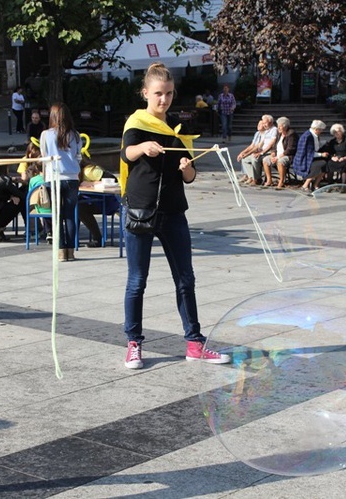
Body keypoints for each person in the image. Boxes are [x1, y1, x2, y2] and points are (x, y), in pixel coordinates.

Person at [120, 62, 231, 369]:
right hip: (141, 211)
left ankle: (194, 343)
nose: (163, 100)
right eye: (158, 93)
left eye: (168, 94)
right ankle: (133, 344)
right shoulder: (137, 123)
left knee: (185, 279)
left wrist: (188, 168)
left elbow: (190, 175)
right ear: (145, 93)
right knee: (137, 281)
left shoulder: (174, 132)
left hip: (173, 212)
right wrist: (143, 147)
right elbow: (126, 154)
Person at [40, 102, 82, 262]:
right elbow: (79, 156)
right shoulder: (76, 135)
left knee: (56, 215)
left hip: (54, 177)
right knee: (70, 214)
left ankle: (60, 250)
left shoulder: (46, 135)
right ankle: (71, 250)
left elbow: (44, 157)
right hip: (72, 177)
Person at [78, 160, 120, 247]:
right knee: (75, 206)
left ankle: (97, 238)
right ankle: (72, 239)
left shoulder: (88, 171)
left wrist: (91, 183)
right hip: (92, 200)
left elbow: (112, 179)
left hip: (106, 202)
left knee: (80, 209)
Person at [262, 116, 298, 190]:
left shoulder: (291, 134)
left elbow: (290, 149)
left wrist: (278, 157)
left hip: (288, 155)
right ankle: (269, 180)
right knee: (265, 159)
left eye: (280, 126)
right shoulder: (279, 133)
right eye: (278, 126)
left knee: (280, 161)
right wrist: (273, 153)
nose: (278, 128)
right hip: (277, 155)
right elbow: (275, 145)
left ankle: (281, 181)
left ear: (285, 126)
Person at [293, 120, 329, 192]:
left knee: (326, 164)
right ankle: (305, 185)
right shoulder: (308, 137)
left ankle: (316, 184)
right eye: (321, 130)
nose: (321, 132)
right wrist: (321, 154)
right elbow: (309, 152)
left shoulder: (312, 135)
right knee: (321, 164)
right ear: (316, 129)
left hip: (309, 157)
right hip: (304, 159)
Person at [236, 119, 265, 184]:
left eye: (260, 124)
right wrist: (243, 152)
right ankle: (250, 177)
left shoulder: (265, 134)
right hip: (255, 152)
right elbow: (252, 146)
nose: (258, 125)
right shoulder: (257, 133)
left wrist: (247, 153)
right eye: (258, 124)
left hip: (262, 153)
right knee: (244, 158)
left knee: (254, 159)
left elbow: (257, 147)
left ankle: (256, 179)